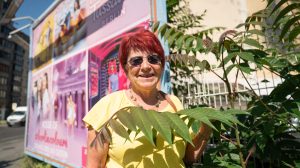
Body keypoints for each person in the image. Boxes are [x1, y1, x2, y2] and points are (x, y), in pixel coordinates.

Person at [83, 30, 212, 168]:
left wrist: (206, 128)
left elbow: (187, 158)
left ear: (161, 65)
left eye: (153, 59)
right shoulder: (108, 106)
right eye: (136, 61)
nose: (145, 67)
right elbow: (95, 165)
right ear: (126, 69)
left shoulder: (174, 102)